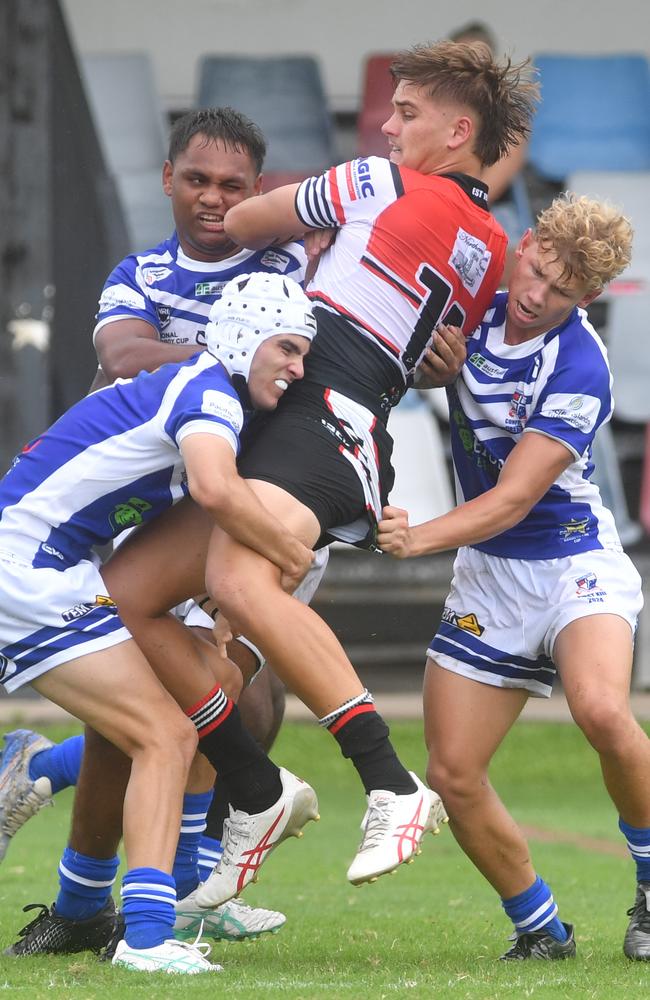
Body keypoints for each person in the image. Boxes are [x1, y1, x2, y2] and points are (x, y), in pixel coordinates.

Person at [98, 37, 538, 911]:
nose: (387, 124)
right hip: (340, 413)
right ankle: (255, 788)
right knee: (132, 588)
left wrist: (305, 213)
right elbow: (425, 353)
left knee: (233, 576)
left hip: (318, 406)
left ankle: (387, 780)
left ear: (457, 130)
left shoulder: (379, 182)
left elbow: (250, 223)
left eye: (407, 114)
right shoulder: (490, 243)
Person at [0, 107, 329, 946]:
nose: (214, 200)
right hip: (130, 524)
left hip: (205, 503)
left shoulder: (287, 263)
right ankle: (110, 909)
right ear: (166, 179)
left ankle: (168, 894)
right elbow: (121, 355)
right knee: (173, 714)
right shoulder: (145, 280)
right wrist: (231, 349)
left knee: (235, 709)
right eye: (197, 181)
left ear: (256, 193)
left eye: (233, 187)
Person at [377, 193, 650, 961]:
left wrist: (418, 538)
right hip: (491, 580)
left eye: (561, 291)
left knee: (600, 708)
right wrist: (430, 369)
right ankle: (540, 930)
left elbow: (514, 498)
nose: (536, 293)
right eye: (536, 268)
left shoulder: (581, 365)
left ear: (586, 299)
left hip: (572, 563)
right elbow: (416, 367)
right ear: (524, 244)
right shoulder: (474, 304)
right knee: (452, 773)